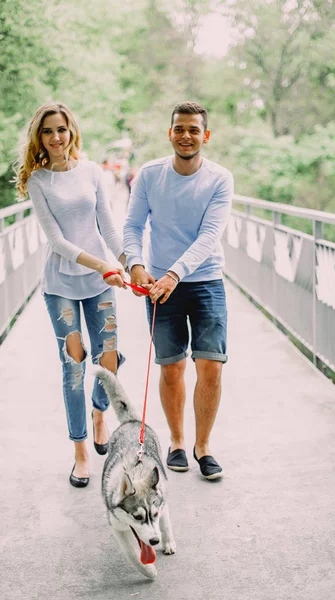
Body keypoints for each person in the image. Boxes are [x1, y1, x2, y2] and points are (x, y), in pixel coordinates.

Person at [15, 102, 127, 488]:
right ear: (39, 138)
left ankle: (100, 411)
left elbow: (109, 228)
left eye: (61, 129)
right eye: (48, 131)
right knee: (74, 366)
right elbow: (57, 240)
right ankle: (80, 451)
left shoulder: (94, 172)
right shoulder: (37, 180)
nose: (56, 137)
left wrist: (128, 262)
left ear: (71, 131)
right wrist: (102, 265)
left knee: (108, 357)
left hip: (100, 281)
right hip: (61, 283)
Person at [123, 101, 233, 480]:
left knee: (211, 367)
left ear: (206, 135)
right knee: (172, 369)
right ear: (170, 133)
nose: (186, 135)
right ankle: (177, 441)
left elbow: (209, 236)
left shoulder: (220, 179)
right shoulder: (150, 175)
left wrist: (175, 273)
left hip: (206, 281)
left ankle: (203, 447)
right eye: (179, 128)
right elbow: (133, 226)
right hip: (158, 285)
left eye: (193, 129)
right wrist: (135, 263)